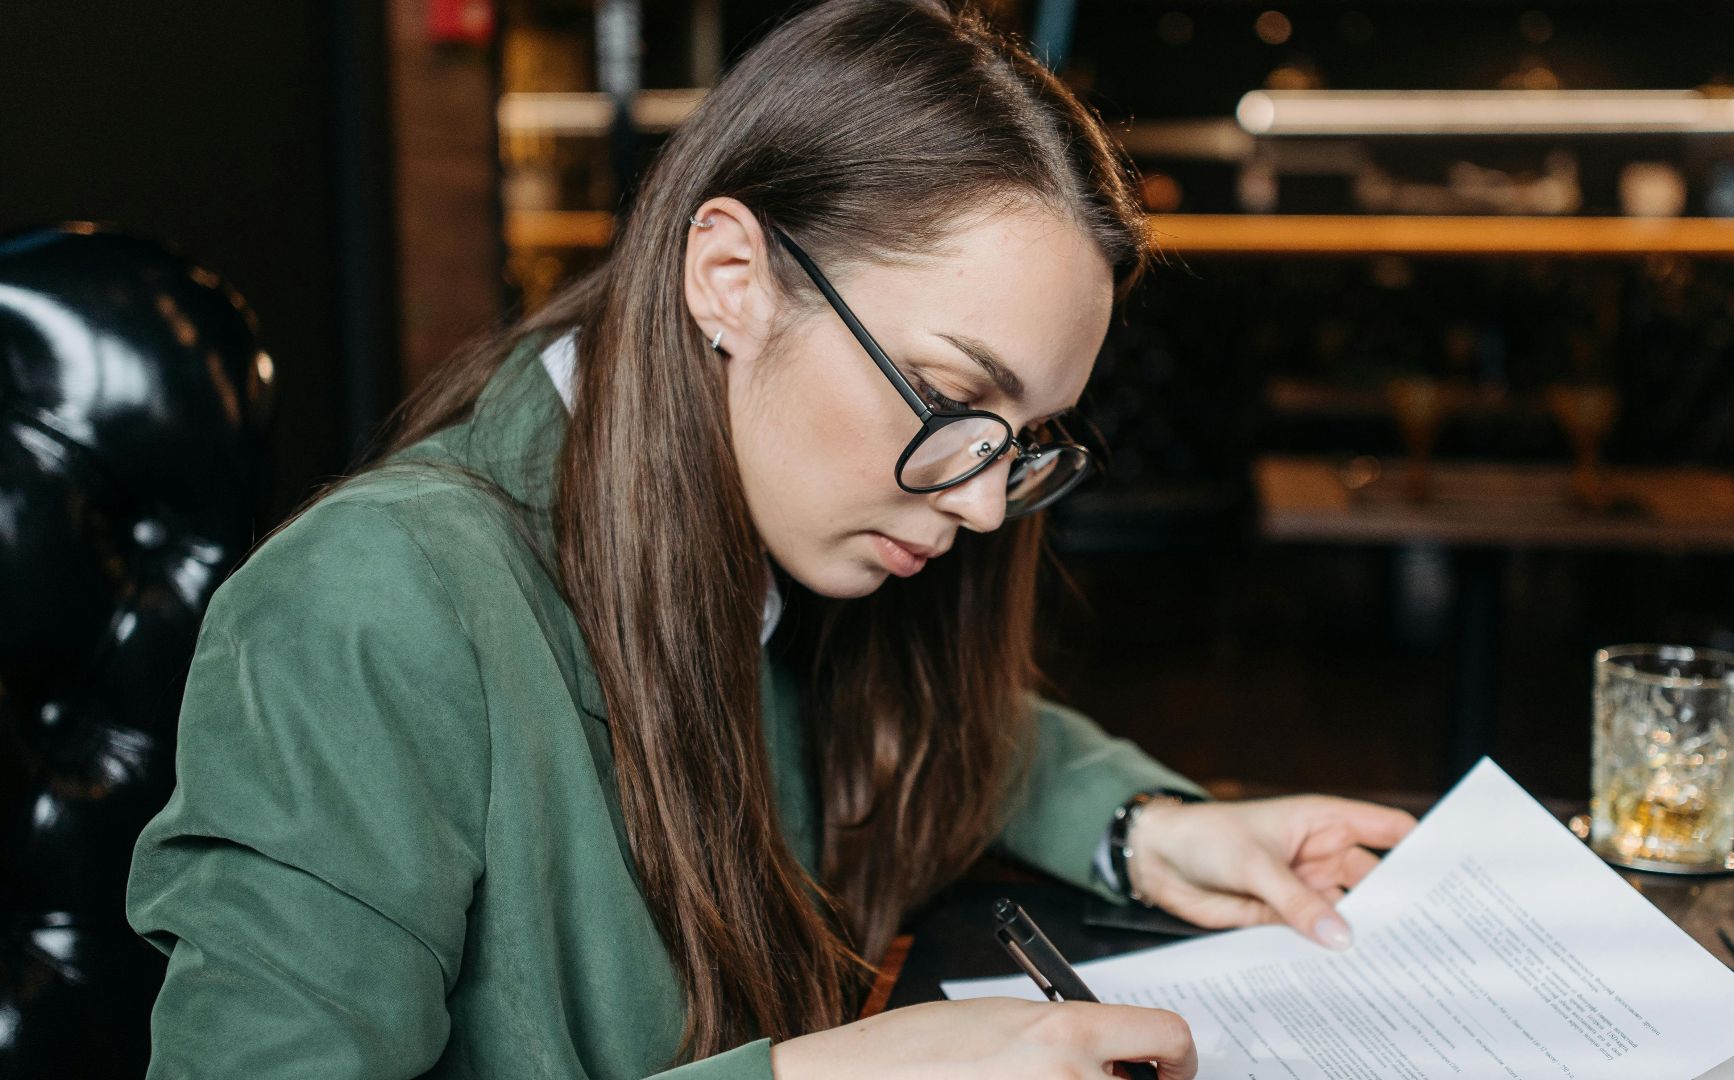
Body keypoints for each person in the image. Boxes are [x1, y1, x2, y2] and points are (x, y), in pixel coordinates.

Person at [126, 1, 1415, 1076]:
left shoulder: (773, 525)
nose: (979, 502)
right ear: (731, 278)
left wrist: (1142, 828)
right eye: (954, 400)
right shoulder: (371, 603)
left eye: (1026, 437)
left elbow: (936, 724)